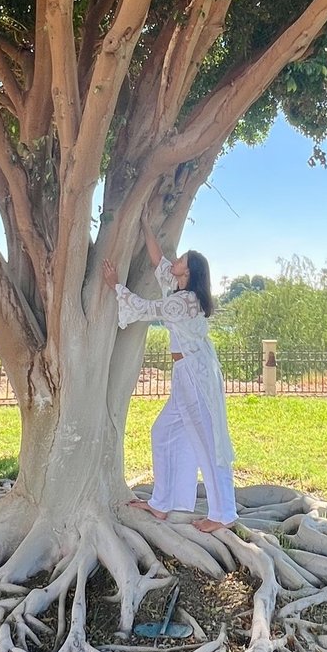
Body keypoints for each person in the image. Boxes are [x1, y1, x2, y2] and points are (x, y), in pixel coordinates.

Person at [102, 219, 237, 532]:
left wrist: (115, 285)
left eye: (181, 260)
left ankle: (223, 513)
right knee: (163, 432)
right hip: (184, 373)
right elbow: (158, 261)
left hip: (196, 375)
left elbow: (145, 309)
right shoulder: (178, 289)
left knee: (208, 441)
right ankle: (162, 503)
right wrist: (145, 225)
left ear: (188, 273)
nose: (175, 260)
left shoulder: (184, 301)